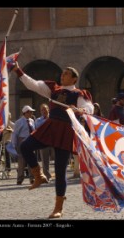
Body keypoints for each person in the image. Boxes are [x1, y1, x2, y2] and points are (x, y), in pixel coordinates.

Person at [11, 62, 93, 218]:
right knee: (26, 146)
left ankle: (58, 207)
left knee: (60, 171)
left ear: (74, 79)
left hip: (65, 130)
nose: (63, 74)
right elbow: (33, 84)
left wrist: (80, 110)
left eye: (67, 73)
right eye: (63, 72)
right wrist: (17, 70)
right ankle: (39, 175)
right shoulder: (53, 89)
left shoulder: (78, 93)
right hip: (50, 126)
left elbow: (89, 108)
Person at [11, 105, 36, 185]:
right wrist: (14, 144)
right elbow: (15, 134)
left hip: (30, 141)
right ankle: (20, 178)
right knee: (21, 161)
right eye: (30, 112)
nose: (31, 113)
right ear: (26, 113)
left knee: (31, 161)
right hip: (22, 141)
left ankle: (32, 178)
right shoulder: (19, 122)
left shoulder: (32, 121)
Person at [34, 104, 54, 181]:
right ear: (40, 111)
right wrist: (47, 120)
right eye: (42, 109)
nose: (44, 111)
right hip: (43, 142)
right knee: (45, 161)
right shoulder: (38, 120)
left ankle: (59, 175)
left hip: (53, 141)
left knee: (57, 158)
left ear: (48, 110)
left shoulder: (53, 119)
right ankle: (47, 176)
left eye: (45, 109)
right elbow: (38, 127)